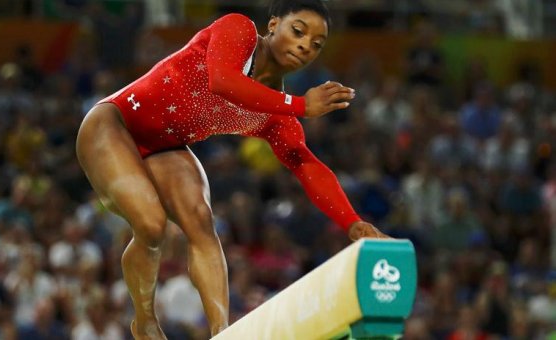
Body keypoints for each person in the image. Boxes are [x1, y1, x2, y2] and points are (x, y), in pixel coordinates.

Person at [76, 0, 389, 338]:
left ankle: (223, 332)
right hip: (115, 123)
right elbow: (222, 81)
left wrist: (352, 222)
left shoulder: (276, 116)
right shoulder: (238, 30)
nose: (305, 46)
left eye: (316, 44)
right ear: (272, 26)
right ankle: (145, 321)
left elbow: (306, 165)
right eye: (298, 31)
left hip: (164, 148)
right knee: (151, 225)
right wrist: (299, 105)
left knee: (200, 219)